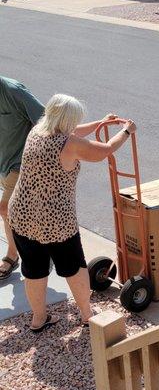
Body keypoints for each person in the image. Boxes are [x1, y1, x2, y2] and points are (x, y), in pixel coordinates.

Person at [8, 94, 136, 332]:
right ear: (68, 120)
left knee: (34, 269)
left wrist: (99, 124)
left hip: (22, 216)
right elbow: (104, 150)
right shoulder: (69, 144)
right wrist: (127, 131)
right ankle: (87, 315)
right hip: (56, 223)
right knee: (74, 267)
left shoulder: (37, 131)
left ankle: (39, 319)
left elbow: (72, 131)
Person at [0, 76, 45, 280]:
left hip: (21, 164)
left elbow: (46, 121)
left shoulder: (13, 91)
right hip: (3, 164)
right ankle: (43, 247)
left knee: (5, 208)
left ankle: (12, 255)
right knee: (19, 213)